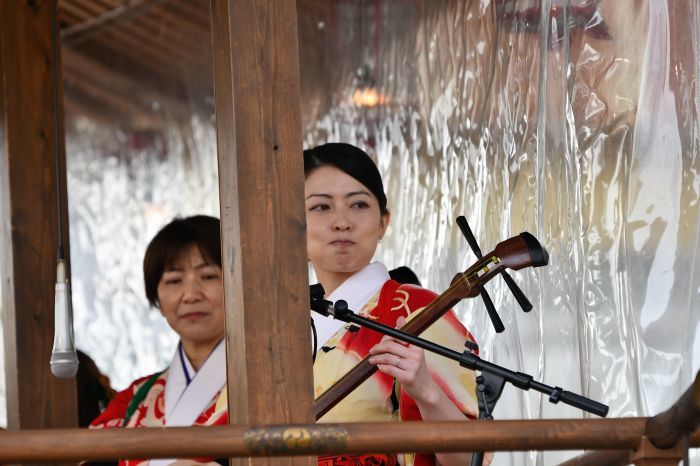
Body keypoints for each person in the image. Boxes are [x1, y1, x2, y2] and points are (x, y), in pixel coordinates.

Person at [305, 142, 482, 466]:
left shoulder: (415, 309)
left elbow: (470, 460)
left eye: (358, 205)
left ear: (383, 221)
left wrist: (426, 390)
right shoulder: (278, 323)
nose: (342, 221)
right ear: (294, 225)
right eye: (321, 207)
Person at [90, 215, 227, 466]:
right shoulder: (135, 397)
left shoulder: (269, 389)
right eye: (174, 281)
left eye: (208, 276)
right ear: (158, 300)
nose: (190, 295)